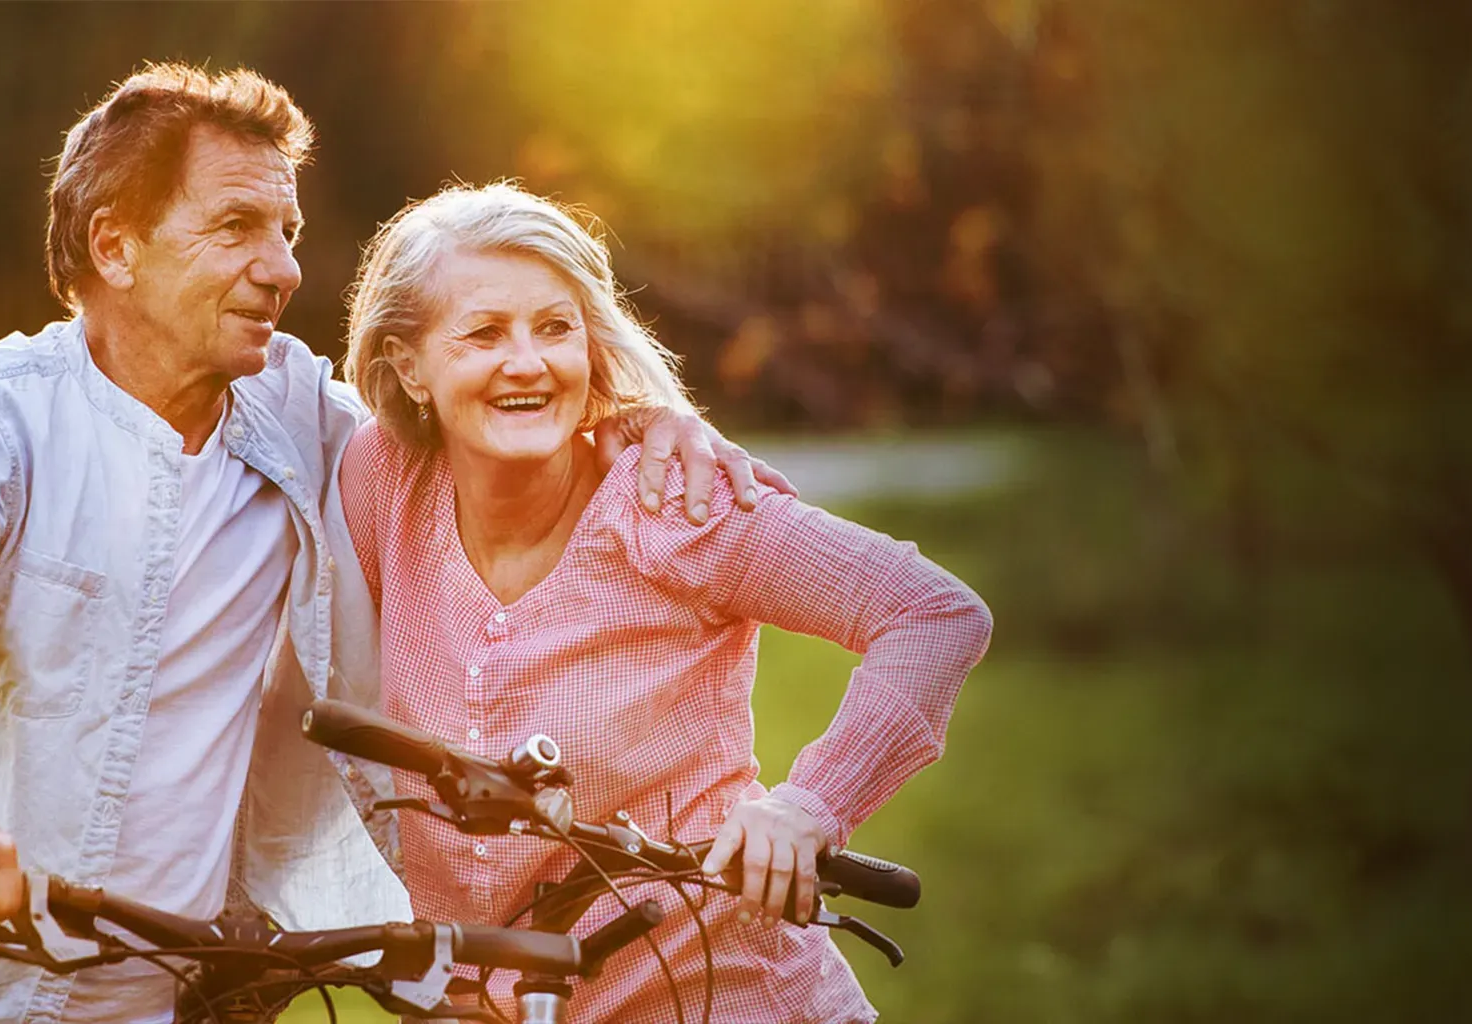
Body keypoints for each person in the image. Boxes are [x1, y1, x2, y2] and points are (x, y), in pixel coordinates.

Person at [0, 64, 774, 1023]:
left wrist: (640, 420)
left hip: (181, 993)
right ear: (116, 246)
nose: (284, 267)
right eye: (237, 227)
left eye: (288, 232)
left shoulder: (303, 417)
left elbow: (477, 422)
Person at [337, 182, 994, 1022]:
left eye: (555, 327)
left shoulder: (673, 506)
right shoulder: (383, 482)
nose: (529, 361)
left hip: (725, 996)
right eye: (484, 333)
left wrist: (807, 809)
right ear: (408, 366)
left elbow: (933, 616)